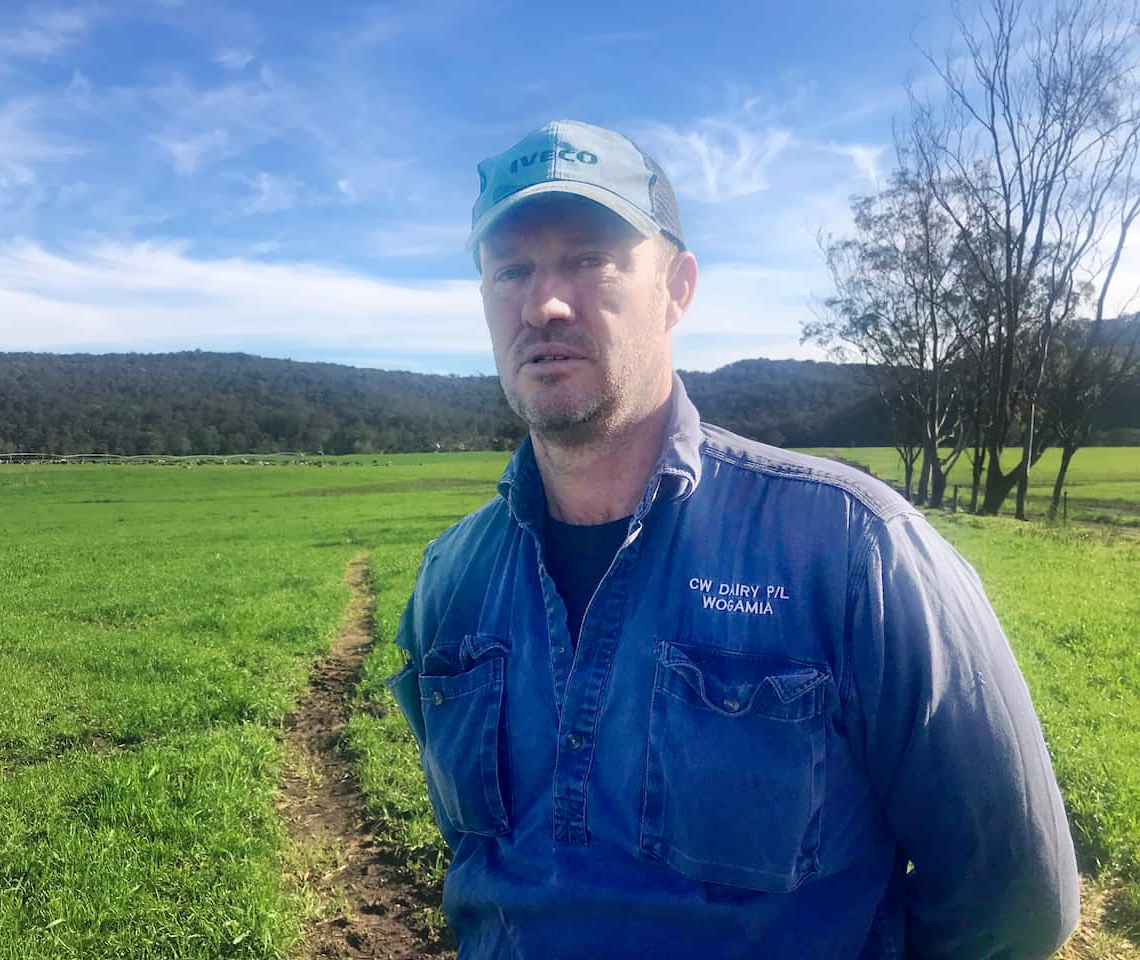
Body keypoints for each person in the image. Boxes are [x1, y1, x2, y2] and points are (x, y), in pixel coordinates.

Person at [387, 119, 1079, 959]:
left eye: (589, 258)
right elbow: (480, 861)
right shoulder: (451, 582)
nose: (544, 304)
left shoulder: (853, 550)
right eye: (511, 270)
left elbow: (1015, 906)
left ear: (677, 288)